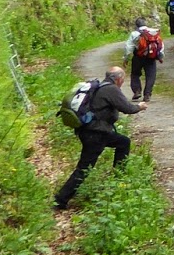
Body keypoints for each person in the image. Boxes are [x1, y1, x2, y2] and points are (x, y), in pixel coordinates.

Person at [54, 66, 146, 211]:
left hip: (93, 132)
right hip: (96, 134)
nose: (123, 82)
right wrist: (139, 106)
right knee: (84, 168)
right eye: (123, 79)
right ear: (119, 78)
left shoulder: (100, 87)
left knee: (123, 142)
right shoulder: (111, 89)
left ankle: (118, 177)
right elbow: (127, 108)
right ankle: (60, 200)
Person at [125, 17, 163, 102]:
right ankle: (147, 95)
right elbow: (160, 44)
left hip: (138, 56)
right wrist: (160, 56)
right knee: (151, 76)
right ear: (145, 24)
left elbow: (128, 47)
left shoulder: (134, 33)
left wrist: (126, 58)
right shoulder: (153, 32)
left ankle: (137, 91)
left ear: (136, 25)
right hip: (151, 57)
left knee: (135, 74)